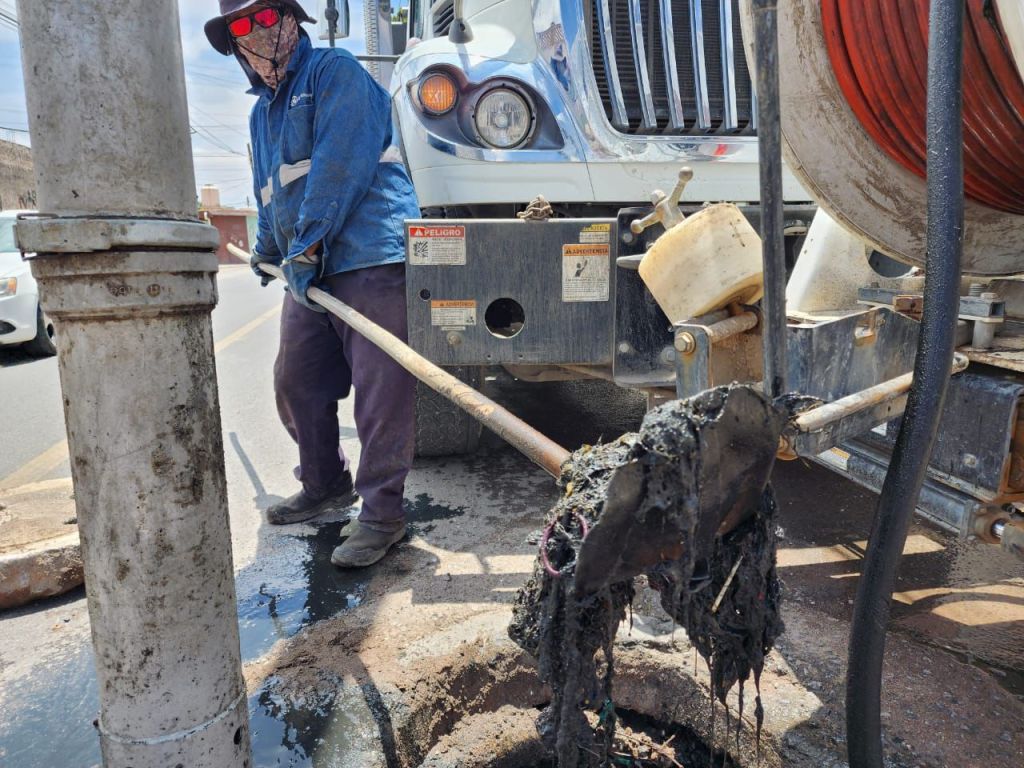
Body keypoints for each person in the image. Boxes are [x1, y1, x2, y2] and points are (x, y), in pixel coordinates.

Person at [205, 0, 420, 567]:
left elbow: (339, 166)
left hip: (367, 255)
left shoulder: (335, 73)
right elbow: (271, 193)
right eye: (242, 26)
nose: (259, 32)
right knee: (297, 381)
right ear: (234, 44)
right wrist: (271, 251)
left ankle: (382, 515)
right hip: (309, 266)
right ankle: (325, 484)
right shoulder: (262, 115)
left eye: (268, 16)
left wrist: (306, 245)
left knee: (381, 392)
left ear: (293, 19)